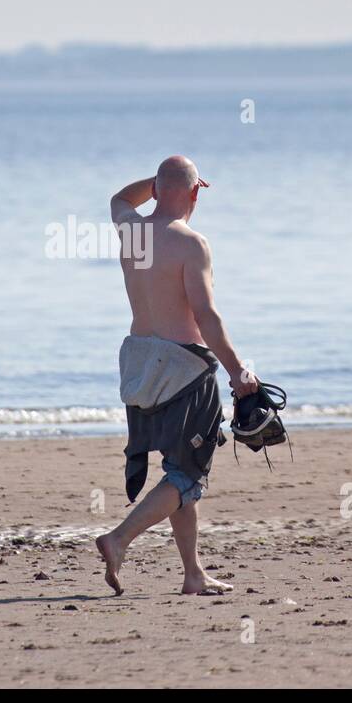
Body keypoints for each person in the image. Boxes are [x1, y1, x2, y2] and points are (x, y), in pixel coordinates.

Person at [95, 155, 258, 595]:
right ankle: (118, 539)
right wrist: (238, 370)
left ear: (158, 188)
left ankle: (193, 573)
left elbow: (118, 198)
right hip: (185, 369)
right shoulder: (191, 243)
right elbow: (205, 315)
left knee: (179, 470)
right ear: (195, 192)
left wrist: (161, 181)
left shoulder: (131, 229)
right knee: (188, 474)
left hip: (139, 363)